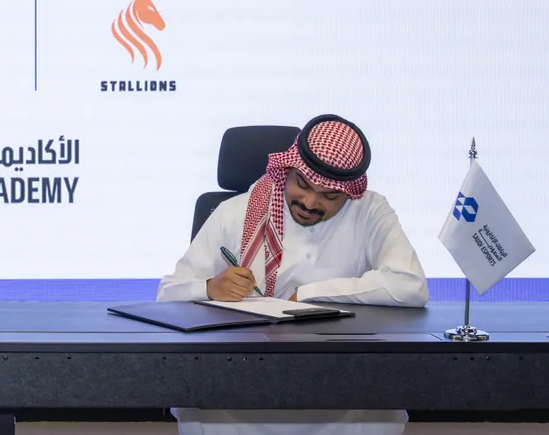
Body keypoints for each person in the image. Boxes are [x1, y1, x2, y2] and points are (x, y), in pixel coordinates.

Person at [157, 113, 428, 435]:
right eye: (302, 184)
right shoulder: (236, 212)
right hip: (241, 376)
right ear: (287, 169)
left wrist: (309, 294)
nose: (310, 202)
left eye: (330, 196)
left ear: (349, 192)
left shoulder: (369, 212)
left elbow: (410, 285)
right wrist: (208, 287)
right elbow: (167, 294)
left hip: (337, 374)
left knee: (375, 399)